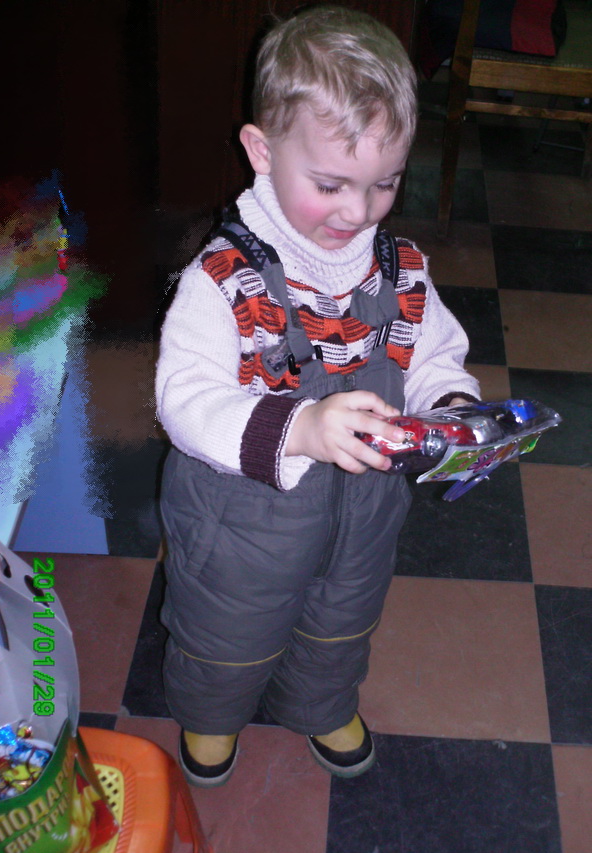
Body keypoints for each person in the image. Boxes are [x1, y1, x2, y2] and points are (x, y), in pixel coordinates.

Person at [155, 4, 479, 788]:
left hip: (363, 517)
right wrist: (298, 429)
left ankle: (321, 701)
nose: (357, 212)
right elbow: (183, 399)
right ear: (262, 153)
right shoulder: (221, 280)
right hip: (241, 527)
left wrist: (452, 408)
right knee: (225, 631)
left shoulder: (399, 268)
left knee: (341, 621)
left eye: (383, 184)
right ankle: (211, 714)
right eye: (331, 184)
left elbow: (434, 352)